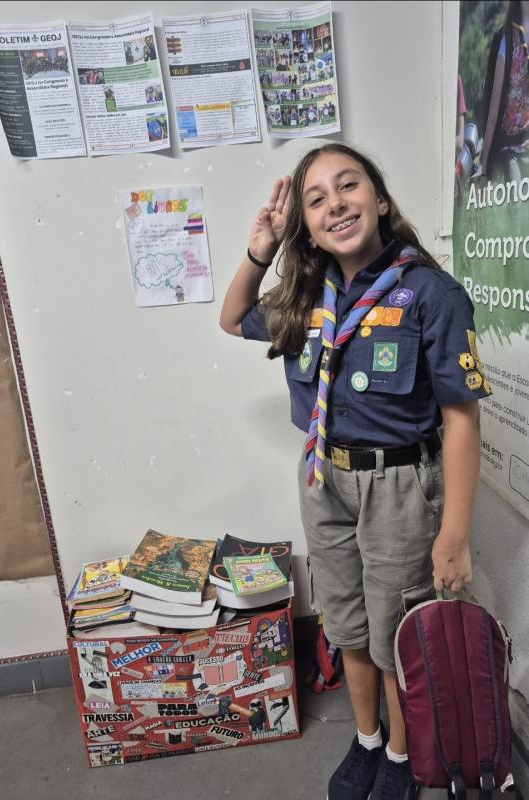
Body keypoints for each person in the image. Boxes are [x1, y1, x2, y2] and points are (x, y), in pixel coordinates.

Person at [220, 143, 490, 800]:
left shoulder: (430, 293)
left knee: (395, 628)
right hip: (324, 477)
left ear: (380, 199)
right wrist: (259, 250)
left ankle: (401, 753)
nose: (336, 204)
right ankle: (368, 738)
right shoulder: (304, 296)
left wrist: (454, 535)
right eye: (316, 200)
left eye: (349, 186)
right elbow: (231, 318)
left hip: (399, 486)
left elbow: (461, 419)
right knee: (345, 623)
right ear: (307, 230)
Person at [481, 0, 529, 181]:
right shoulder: (507, 41)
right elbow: (493, 114)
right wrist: (484, 169)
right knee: (516, 197)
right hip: (508, 148)